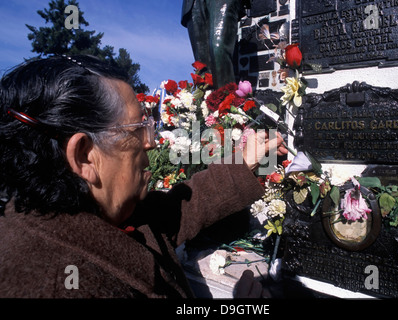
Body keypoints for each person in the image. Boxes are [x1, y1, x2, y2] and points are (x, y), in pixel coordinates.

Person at [0, 55, 287, 298]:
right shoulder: (58, 283)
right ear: (84, 155)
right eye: (138, 127)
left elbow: (177, 209)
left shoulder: (86, 210)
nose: (150, 141)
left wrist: (243, 163)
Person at [181, 0, 248, 88]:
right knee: (202, 64)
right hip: (192, 2)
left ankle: (227, 99)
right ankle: (207, 100)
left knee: (219, 50)